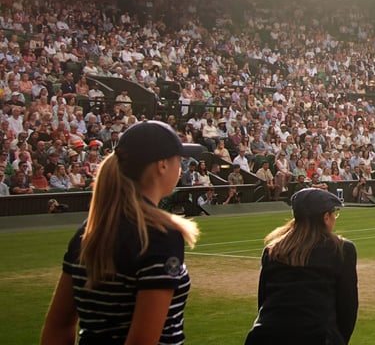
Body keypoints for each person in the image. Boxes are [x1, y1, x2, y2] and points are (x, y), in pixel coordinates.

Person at [41, 120, 204, 345]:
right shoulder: (159, 235)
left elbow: (57, 328)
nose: (181, 166)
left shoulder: (89, 230)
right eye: (178, 159)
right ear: (162, 165)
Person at [244, 188, 358, 345]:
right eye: (334, 213)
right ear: (326, 217)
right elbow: (347, 307)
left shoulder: (273, 249)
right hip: (317, 337)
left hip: (264, 336)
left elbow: (264, 300)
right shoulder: (342, 249)